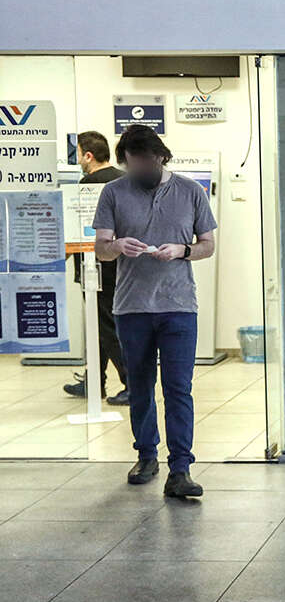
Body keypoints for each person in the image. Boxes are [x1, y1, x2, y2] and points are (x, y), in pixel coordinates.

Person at [93, 125, 217, 497]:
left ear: (160, 157)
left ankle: (180, 469)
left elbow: (208, 245)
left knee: (178, 388)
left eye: (144, 164)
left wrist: (182, 251)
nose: (139, 171)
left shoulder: (190, 192)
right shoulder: (113, 192)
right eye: (132, 165)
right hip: (132, 308)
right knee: (140, 386)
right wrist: (117, 246)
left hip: (179, 307)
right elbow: (101, 249)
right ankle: (146, 455)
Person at [64, 131, 129, 405]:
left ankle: (131, 383)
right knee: (101, 324)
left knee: (106, 325)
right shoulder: (123, 179)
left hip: (96, 267)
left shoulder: (87, 184)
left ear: (88, 156)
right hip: (120, 264)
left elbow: (78, 228)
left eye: (78, 154)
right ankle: (94, 382)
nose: (77, 160)